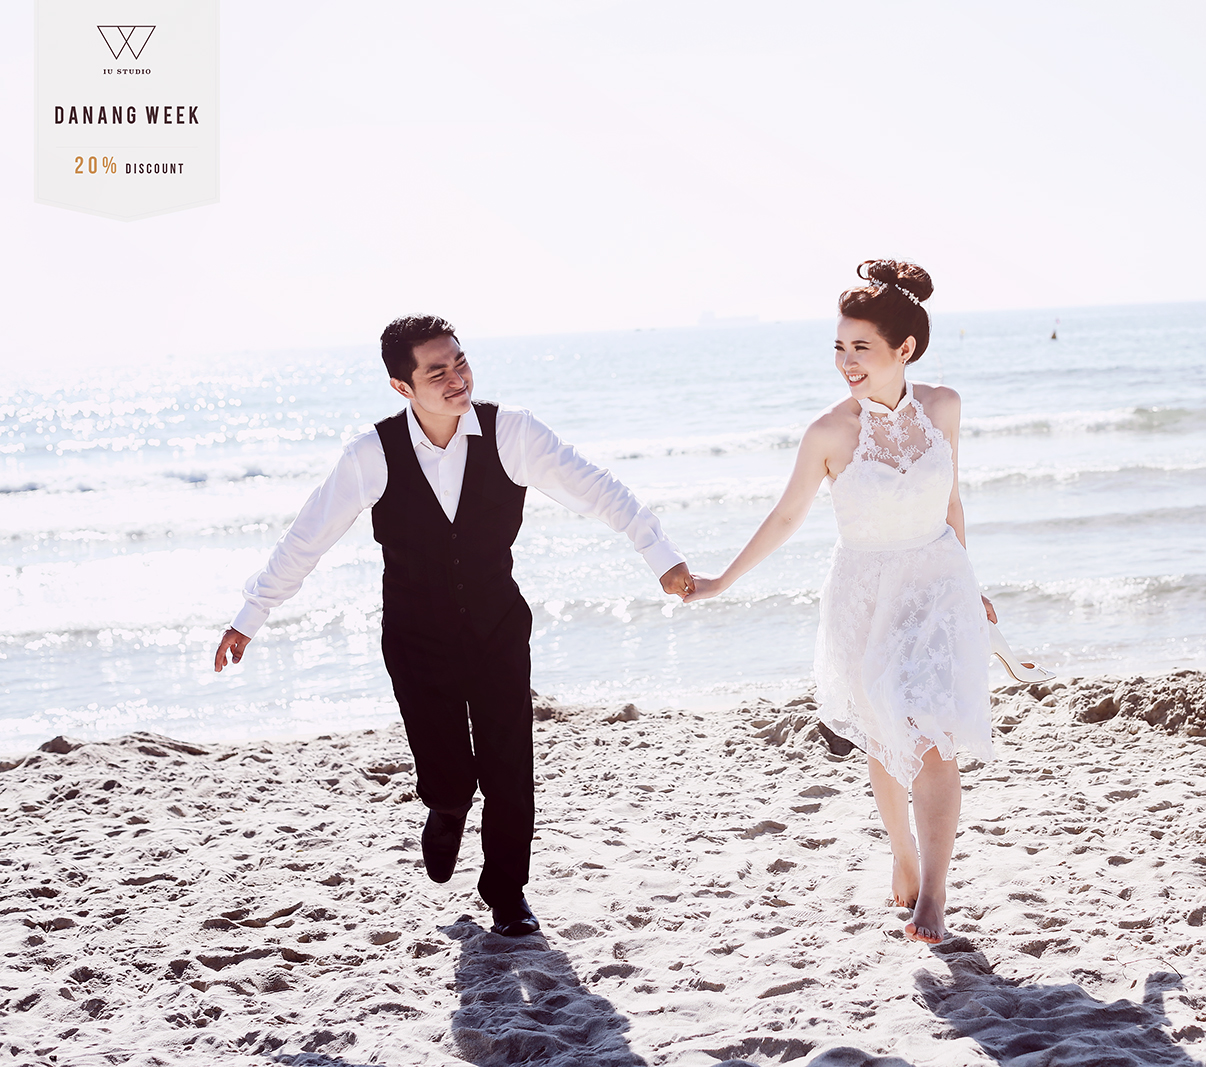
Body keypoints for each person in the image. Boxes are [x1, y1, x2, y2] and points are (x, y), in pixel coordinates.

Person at [213, 315, 694, 937]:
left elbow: (599, 490)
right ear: (402, 386)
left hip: (497, 627)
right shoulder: (371, 453)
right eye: (436, 371)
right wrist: (251, 616)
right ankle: (445, 807)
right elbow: (308, 537)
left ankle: (507, 893)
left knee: (508, 765)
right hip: (415, 637)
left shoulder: (511, 432)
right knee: (447, 774)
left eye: (459, 362)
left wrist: (661, 555)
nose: (456, 378)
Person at [686, 260, 996, 944]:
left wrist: (970, 587)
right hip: (865, 594)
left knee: (934, 740)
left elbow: (951, 502)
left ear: (904, 348)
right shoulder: (829, 433)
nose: (846, 362)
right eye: (838, 347)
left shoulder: (944, 407)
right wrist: (723, 580)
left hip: (938, 585)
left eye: (861, 347)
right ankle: (903, 853)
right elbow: (786, 516)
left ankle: (934, 896)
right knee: (885, 737)